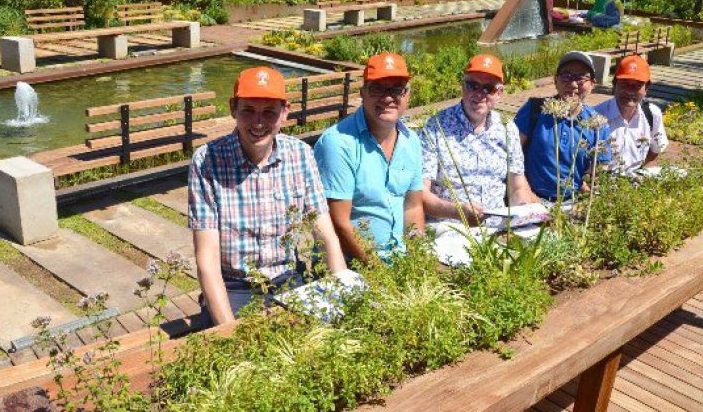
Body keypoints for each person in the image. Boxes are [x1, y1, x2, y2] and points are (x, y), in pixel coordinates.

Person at [188, 66, 348, 325]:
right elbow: (206, 260)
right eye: (248, 111)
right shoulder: (207, 161)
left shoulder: (301, 155)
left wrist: (344, 293)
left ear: (285, 112)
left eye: (269, 112)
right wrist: (230, 332)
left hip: (288, 279)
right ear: (233, 108)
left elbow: (324, 233)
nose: (258, 123)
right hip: (235, 286)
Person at [313, 53, 425, 263]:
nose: (387, 97)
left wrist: (418, 260)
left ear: (407, 95)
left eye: (397, 89)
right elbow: (339, 223)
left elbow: (413, 207)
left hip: (399, 261)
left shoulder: (412, 142)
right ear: (363, 93)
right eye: (377, 89)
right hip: (352, 265)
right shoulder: (338, 143)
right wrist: (378, 272)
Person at [420, 54, 538, 225]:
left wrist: (527, 209)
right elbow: (420, 192)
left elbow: (517, 186)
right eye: (472, 85)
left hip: (497, 227)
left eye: (488, 88)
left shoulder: (507, 128)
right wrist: (456, 211)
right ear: (462, 86)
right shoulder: (435, 126)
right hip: (449, 227)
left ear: (499, 93)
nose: (479, 94)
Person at [514, 51, 611, 202]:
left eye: (581, 78)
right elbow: (512, 156)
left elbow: (599, 171)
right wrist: (524, 193)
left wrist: (588, 198)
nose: (573, 84)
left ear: (592, 84)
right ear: (555, 80)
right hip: (531, 197)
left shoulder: (598, 124)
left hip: (574, 201)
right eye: (566, 76)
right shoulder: (535, 109)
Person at [594, 55, 668, 175]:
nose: (629, 91)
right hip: (601, 181)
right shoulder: (596, 115)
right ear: (614, 85)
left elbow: (655, 151)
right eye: (624, 84)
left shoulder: (652, 114)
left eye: (637, 86)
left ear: (647, 88)